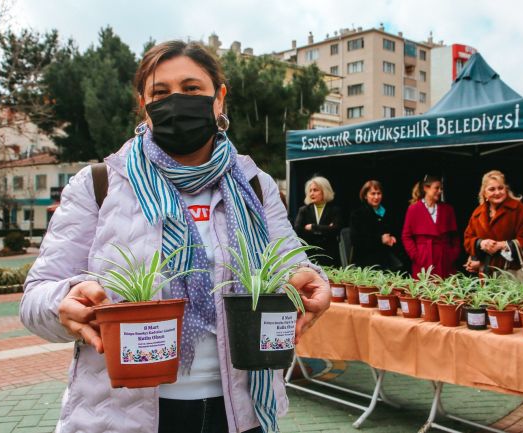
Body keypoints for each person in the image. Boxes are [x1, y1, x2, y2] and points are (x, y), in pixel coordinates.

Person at [19, 40, 330, 433]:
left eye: (192, 88)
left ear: (220, 99)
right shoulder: (98, 184)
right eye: (160, 93)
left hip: (239, 413)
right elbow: (36, 297)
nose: (177, 101)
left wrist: (311, 281)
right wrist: (61, 303)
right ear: (143, 106)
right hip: (121, 418)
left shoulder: (255, 185)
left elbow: (290, 265)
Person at [464, 170, 523, 275]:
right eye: (492, 189)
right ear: (484, 193)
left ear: (506, 189)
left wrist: (501, 245)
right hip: (486, 275)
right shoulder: (477, 213)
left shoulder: (517, 209)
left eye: (501, 188)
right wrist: (481, 243)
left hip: (511, 274)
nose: (497, 192)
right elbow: (468, 239)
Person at [401, 175, 461, 278]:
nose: (440, 191)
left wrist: (452, 255)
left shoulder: (448, 209)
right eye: (436, 188)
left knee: (445, 292)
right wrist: (417, 256)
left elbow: (455, 236)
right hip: (424, 259)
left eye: (441, 188)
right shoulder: (413, 209)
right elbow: (406, 236)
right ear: (426, 188)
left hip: (445, 259)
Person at [350, 180, 401, 270]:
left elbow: (394, 231)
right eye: (373, 194)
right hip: (365, 262)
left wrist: (393, 237)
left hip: (386, 260)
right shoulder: (358, 214)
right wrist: (380, 239)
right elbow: (356, 240)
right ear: (365, 196)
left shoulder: (387, 212)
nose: (376, 197)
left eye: (379, 193)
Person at [294, 176, 341, 266]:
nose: (312, 193)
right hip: (310, 255)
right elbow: (298, 231)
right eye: (310, 190)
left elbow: (336, 230)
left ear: (325, 191)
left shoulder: (334, 210)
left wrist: (313, 227)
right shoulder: (303, 210)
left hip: (329, 255)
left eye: (315, 190)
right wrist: (326, 229)